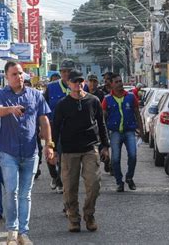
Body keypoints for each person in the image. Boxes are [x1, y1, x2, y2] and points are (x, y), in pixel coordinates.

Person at [0, 61, 55, 245]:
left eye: (20, 73)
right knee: (11, 190)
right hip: (8, 151)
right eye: (14, 74)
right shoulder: (1, 95)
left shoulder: (35, 95)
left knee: (25, 194)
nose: (19, 77)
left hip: (30, 151)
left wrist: (48, 145)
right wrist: (10, 109)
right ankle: (12, 231)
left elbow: (44, 121)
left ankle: (23, 233)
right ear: (6, 76)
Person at [52, 69, 110, 232]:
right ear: (68, 84)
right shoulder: (62, 104)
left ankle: (89, 215)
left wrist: (105, 146)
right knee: (69, 188)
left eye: (80, 81)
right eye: (74, 82)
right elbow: (55, 127)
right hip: (69, 151)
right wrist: (53, 149)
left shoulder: (93, 100)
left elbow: (101, 123)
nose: (78, 84)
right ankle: (73, 218)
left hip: (90, 148)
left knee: (94, 184)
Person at [102, 73, 144, 192]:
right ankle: (119, 182)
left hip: (129, 131)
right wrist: (103, 135)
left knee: (133, 155)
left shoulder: (131, 97)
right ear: (111, 85)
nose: (120, 84)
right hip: (115, 133)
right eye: (117, 82)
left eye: (120, 81)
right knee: (115, 159)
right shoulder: (107, 99)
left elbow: (137, 114)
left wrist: (141, 130)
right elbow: (102, 119)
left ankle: (129, 178)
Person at [44, 59, 75, 193]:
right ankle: (55, 176)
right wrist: (41, 128)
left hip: (71, 130)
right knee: (50, 156)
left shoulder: (79, 86)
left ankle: (62, 182)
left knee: (63, 157)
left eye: (69, 71)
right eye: (63, 71)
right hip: (52, 128)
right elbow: (43, 109)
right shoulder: (51, 87)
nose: (66, 74)